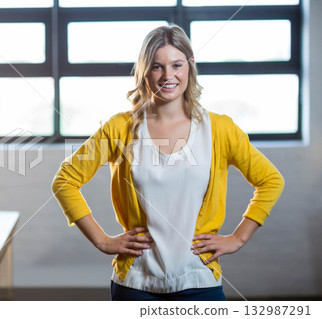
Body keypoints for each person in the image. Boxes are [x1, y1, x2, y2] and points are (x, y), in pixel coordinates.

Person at [51, 24, 285, 301]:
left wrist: (239, 237)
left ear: (190, 66)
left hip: (200, 279)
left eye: (176, 64)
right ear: (144, 71)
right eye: (157, 66)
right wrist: (102, 240)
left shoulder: (220, 129)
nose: (168, 75)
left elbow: (271, 180)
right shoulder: (119, 128)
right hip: (136, 283)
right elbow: (65, 180)